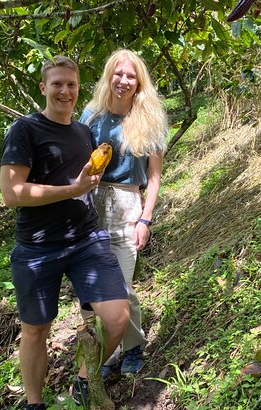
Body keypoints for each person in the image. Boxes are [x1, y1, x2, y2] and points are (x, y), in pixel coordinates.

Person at [0, 55, 130, 410]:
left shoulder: (83, 133)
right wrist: (71, 190)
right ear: (44, 87)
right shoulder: (25, 130)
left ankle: (83, 382)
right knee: (36, 329)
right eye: (57, 84)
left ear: (78, 88)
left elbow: (88, 179)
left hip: (86, 239)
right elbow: (12, 193)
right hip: (37, 248)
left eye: (71, 85)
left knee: (117, 317)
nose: (65, 91)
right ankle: (34, 407)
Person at [79, 49, 168, 379]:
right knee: (90, 286)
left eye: (131, 76)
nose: (124, 80)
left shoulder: (150, 120)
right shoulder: (91, 116)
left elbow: (155, 177)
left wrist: (145, 219)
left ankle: (132, 347)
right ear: (109, 76)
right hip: (89, 205)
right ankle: (104, 351)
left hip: (127, 203)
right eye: (119, 74)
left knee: (120, 286)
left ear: (138, 81)